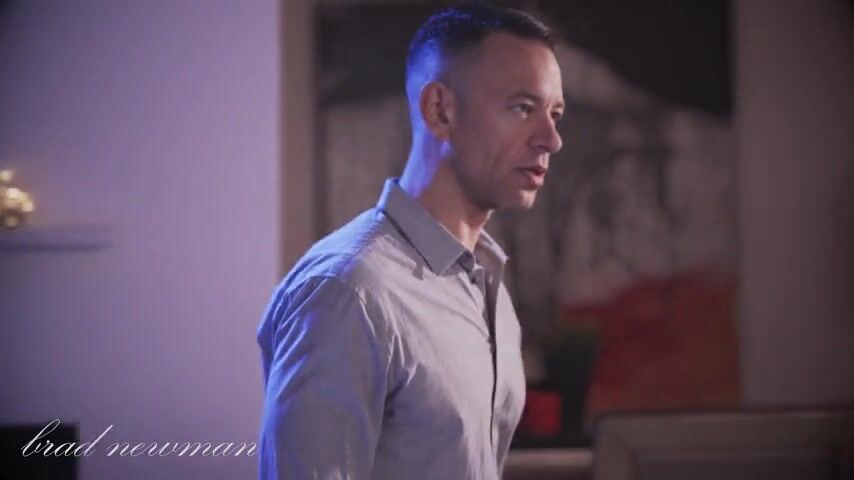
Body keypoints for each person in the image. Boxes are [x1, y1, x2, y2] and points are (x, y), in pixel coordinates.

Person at [257, 4, 564, 479]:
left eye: (555, 114)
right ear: (439, 110)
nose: (551, 139)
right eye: (523, 108)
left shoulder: (488, 289)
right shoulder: (349, 291)